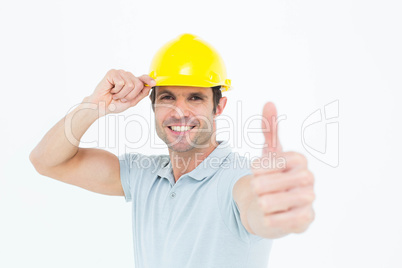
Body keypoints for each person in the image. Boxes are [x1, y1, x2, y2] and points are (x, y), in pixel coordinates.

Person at [30, 33, 315, 268]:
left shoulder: (239, 178)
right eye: (167, 97)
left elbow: (257, 208)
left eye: (195, 97)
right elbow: (46, 161)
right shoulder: (142, 176)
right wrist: (93, 106)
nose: (180, 111)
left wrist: (278, 209)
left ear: (219, 107)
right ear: (152, 105)